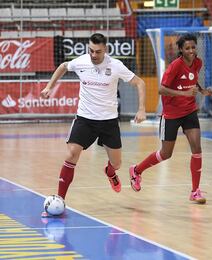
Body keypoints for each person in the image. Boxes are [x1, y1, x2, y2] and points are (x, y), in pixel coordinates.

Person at [40, 33, 146, 216]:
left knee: (117, 163)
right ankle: (60, 198)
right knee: (72, 154)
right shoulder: (81, 61)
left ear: (105, 49)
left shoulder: (115, 66)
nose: (93, 55)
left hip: (109, 121)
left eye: (97, 51)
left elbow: (140, 82)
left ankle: (110, 172)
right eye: (91, 50)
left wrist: (142, 108)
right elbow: (63, 66)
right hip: (85, 119)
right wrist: (49, 86)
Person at [128, 33, 212, 204]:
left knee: (197, 148)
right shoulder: (175, 66)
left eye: (193, 47)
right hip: (171, 114)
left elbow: (192, 81)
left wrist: (202, 90)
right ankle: (136, 170)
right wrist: (184, 93)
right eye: (187, 48)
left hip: (189, 111)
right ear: (181, 50)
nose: (191, 50)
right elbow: (161, 89)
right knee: (166, 154)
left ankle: (195, 191)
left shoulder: (198, 63)